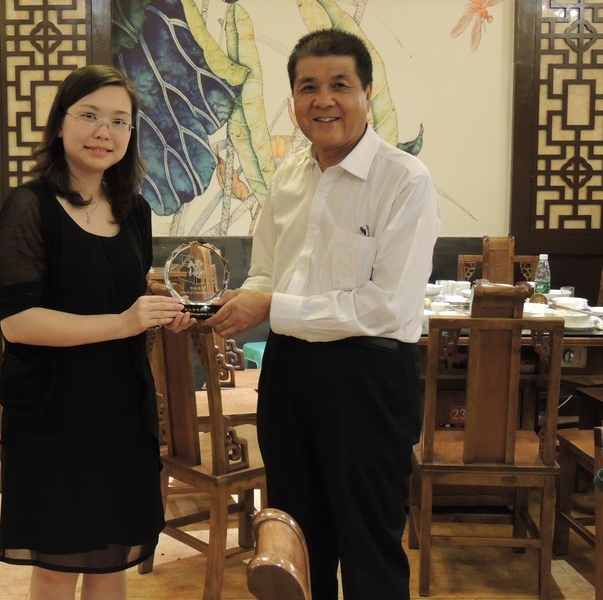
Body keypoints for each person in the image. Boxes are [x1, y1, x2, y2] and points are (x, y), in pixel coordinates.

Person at [207, 29, 441, 599]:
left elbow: (386, 307)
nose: (323, 99)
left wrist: (272, 306)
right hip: (289, 376)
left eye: (340, 84)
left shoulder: (404, 180)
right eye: (308, 87)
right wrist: (240, 303)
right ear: (293, 101)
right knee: (295, 542)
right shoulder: (288, 178)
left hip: (368, 379)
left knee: (370, 544)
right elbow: (268, 272)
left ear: (367, 93)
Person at [0, 65, 193, 600]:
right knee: (60, 562)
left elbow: (126, 305)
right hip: (54, 412)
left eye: (119, 121)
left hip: (122, 408)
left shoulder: (134, 211)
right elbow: (19, 322)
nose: (104, 132)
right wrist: (125, 322)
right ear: (60, 124)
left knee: (112, 558)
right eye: (89, 116)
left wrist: (160, 315)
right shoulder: (29, 207)